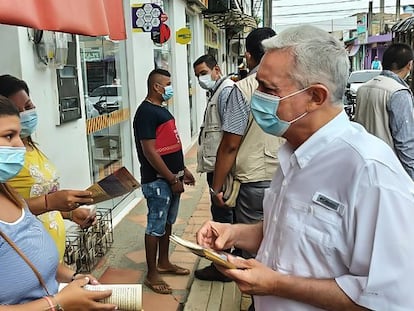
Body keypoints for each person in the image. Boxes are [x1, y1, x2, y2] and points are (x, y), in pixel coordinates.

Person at [196, 25, 414, 310]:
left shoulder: (370, 172)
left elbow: (391, 298)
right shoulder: (292, 153)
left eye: (268, 89)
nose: (256, 97)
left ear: (315, 97)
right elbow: (284, 231)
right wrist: (234, 233)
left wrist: (276, 284)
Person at [0, 95, 117, 310]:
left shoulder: (7, 191)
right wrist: (57, 303)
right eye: (8, 136)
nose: (18, 145)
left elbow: (36, 258)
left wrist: (74, 277)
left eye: (18, 134)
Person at [0, 74, 95, 262]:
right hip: (24, 260)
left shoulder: (29, 147)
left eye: (28, 106)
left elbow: (43, 197)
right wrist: (49, 202)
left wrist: (70, 213)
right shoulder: (6, 160)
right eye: (17, 111)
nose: (25, 114)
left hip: (51, 258)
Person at [208, 27, 283, 259]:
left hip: (253, 181)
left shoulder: (244, 89)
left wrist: (216, 187)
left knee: (253, 250)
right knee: (277, 239)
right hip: (284, 174)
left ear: (248, 55)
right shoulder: (292, 83)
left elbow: (230, 144)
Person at [133, 68, 195, 294]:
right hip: (158, 182)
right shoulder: (146, 112)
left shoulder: (160, 110)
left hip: (171, 179)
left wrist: (182, 170)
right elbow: (150, 151)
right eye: (167, 84)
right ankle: (152, 274)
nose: (170, 88)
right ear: (156, 87)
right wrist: (170, 178)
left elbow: (169, 145)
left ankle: (164, 261)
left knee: (167, 223)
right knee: (155, 226)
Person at [192, 54, 235, 282]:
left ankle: (223, 267)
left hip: (223, 169)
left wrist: (218, 182)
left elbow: (231, 137)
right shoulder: (217, 92)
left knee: (222, 218)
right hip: (218, 166)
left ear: (216, 69)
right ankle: (223, 263)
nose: (200, 79)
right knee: (222, 215)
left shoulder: (226, 92)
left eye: (203, 73)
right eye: (197, 75)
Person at [355, 43, 414, 179]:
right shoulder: (398, 92)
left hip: (364, 163)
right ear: (409, 64)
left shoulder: (364, 88)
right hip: (388, 169)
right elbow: (405, 142)